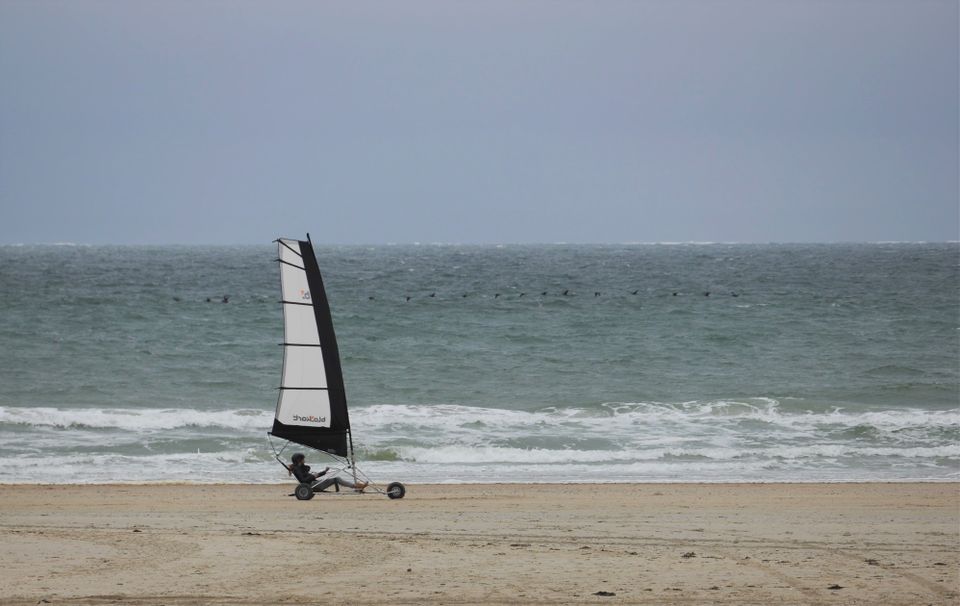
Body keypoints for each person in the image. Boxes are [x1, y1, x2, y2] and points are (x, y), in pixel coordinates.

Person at [289, 453, 367, 492]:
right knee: (336, 479)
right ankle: (356, 486)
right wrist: (313, 476)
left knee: (335, 478)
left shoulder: (300, 468)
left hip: (314, 484)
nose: (304, 460)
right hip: (312, 486)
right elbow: (303, 481)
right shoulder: (297, 469)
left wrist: (324, 472)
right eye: (303, 459)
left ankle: (356, 486)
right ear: (299, 460)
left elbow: (310, 475)